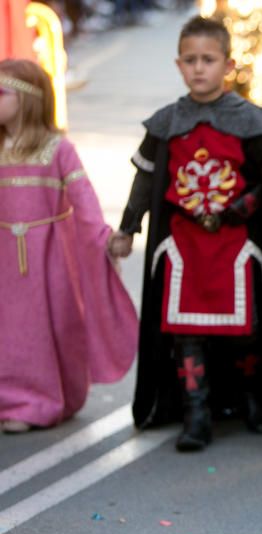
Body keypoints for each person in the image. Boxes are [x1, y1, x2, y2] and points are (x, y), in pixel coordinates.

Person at [108, 16, 262, 451]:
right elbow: (144, 183)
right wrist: (128, 229)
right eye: (190, 60)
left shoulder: (251, 121)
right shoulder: (166, 123)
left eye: (208, 59)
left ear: (228, 63)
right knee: (185, 331)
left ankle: (253, 398)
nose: (199, 68)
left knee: (247, 328)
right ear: (178, 64)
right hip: (182, 245)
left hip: (236, 244)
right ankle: (196, 413)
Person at [0, 59, 137, 433]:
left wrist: (106, 239)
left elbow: (84, 199)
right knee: (6, 329)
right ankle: (8, 399)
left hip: (48, 257)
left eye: (2, 92)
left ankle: (38, 402)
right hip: (3, 259)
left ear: (28, 99)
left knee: (45, 327)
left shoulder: (57, 148)